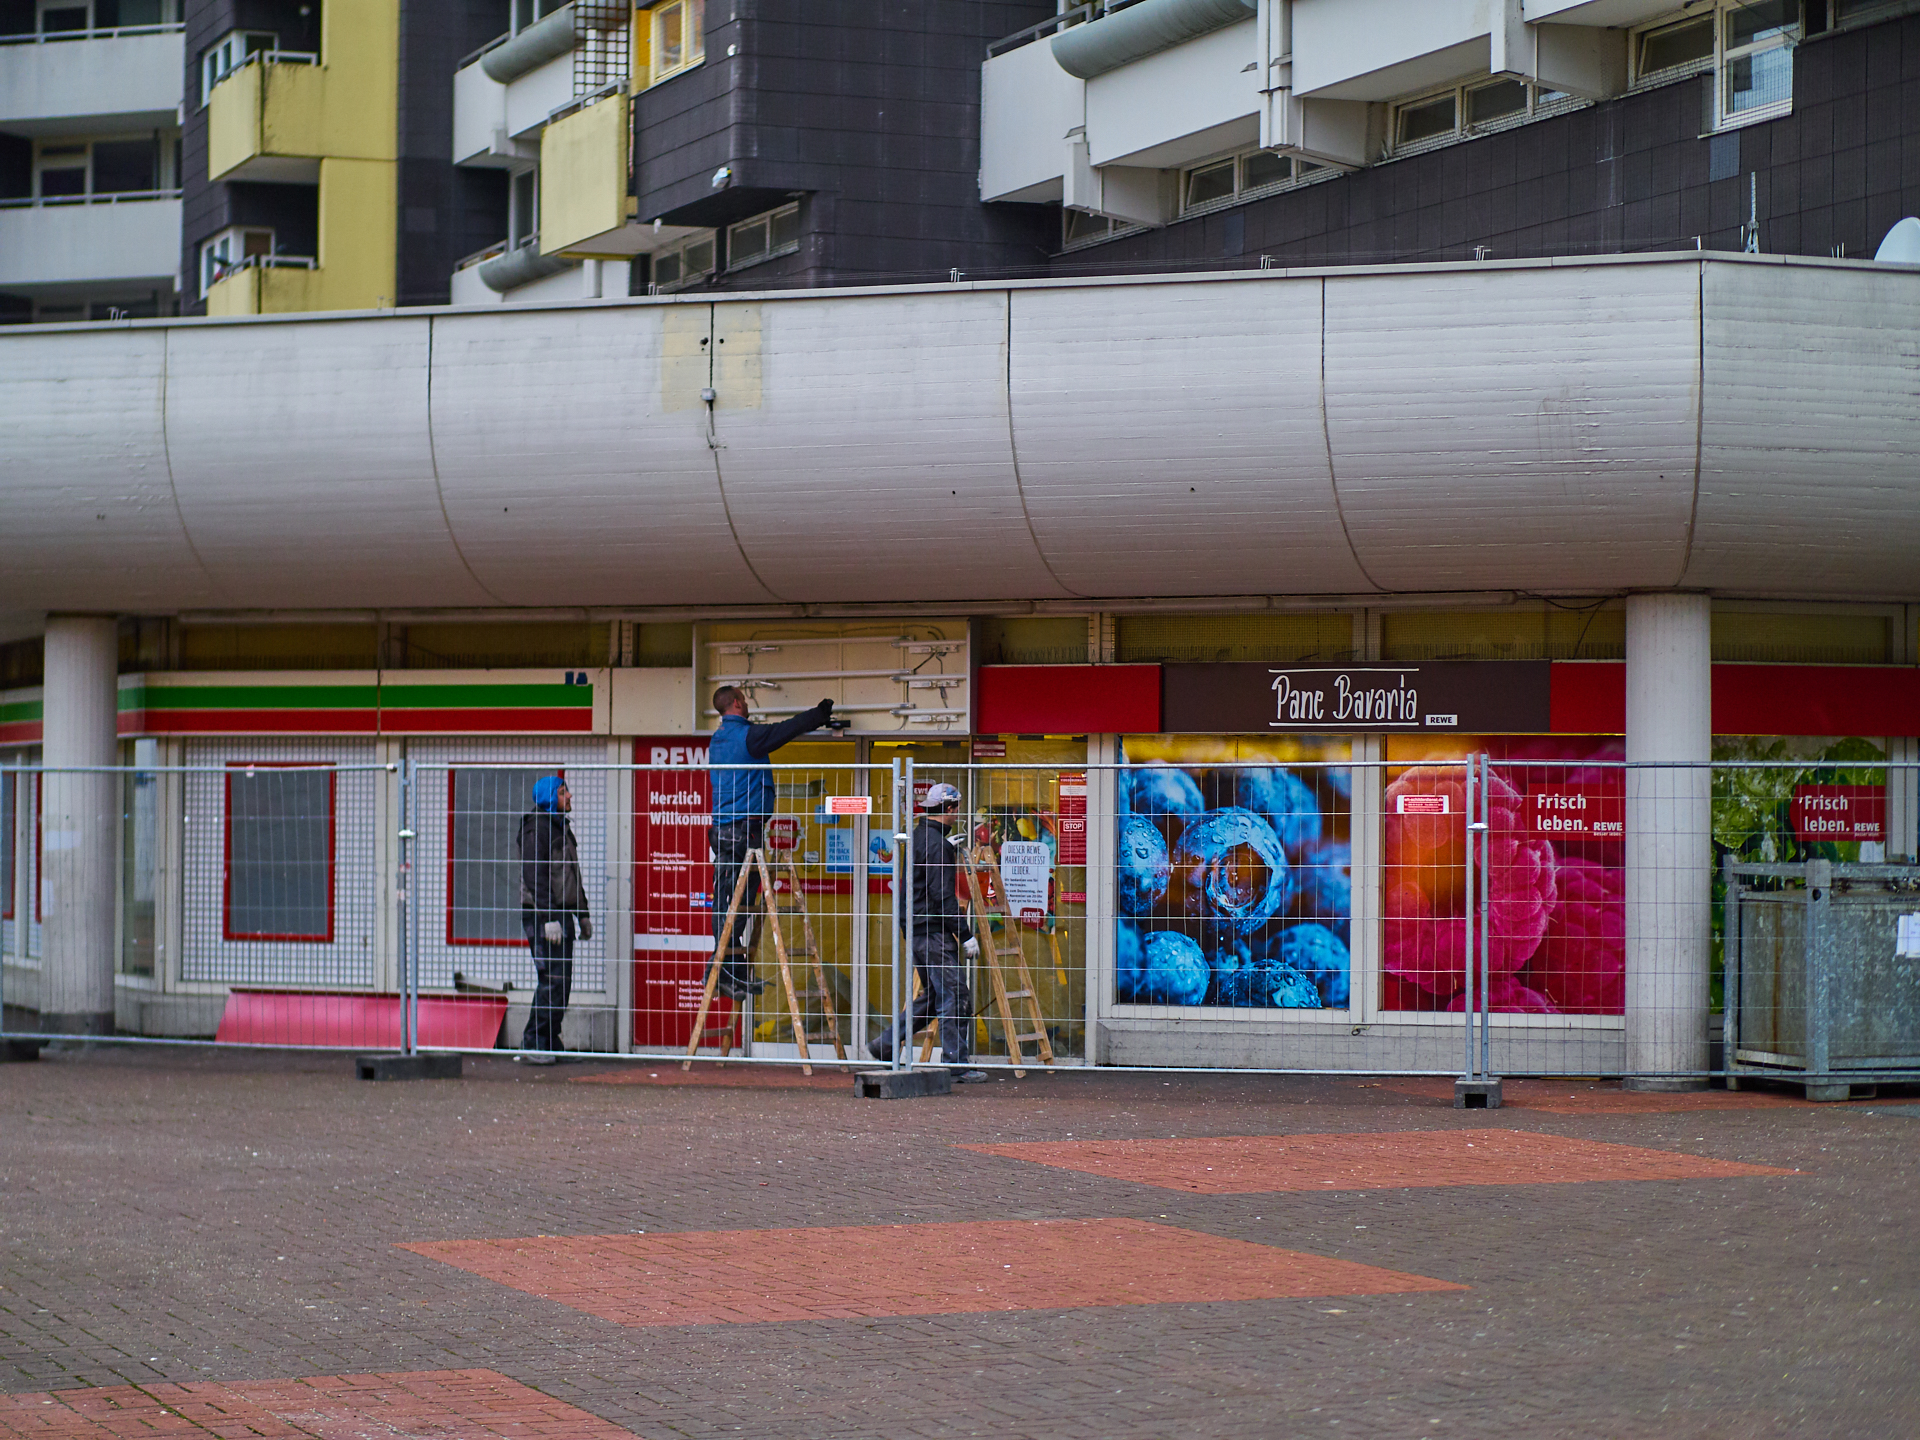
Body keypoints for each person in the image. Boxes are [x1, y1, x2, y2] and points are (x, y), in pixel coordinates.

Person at [708, 685, 835, 999]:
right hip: (743, 830)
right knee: (736, 903)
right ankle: (720, 970)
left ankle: (729, 970)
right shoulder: (747, 737)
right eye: (744, 698)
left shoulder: (719, 738)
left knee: (731, 900)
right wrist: (819, 714)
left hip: (725, 829)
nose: (747, 702)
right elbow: (786, 730)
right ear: (737, 703)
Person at [868, 781, 988, 1083]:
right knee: (954, 995)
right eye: (956, 809)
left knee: (935, 997)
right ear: (949, 809)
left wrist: (945, 849)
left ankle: (885, 1044)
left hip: (918, 929)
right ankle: (956, 1064)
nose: (957, 814)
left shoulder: (920, 837)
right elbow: (942, 895)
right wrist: (965, 934)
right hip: (934, 931)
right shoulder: (936, 845)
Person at [517, 775, 590, 1064]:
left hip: (560, 913)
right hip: (542, 914)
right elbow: (535, 875)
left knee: (562, 981)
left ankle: (549, 1040)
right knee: (552, 980)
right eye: (562, 792)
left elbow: (572, 874)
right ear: (549, 798)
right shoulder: (537, 829)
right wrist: (548, 918)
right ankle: (534, 1041)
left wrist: (582, 913)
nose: (569, 796)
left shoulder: (560, 827)